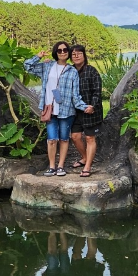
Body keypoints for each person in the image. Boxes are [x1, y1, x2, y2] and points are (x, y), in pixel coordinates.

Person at [25, 41, 92, 176]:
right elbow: (27, 66)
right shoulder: (47, 66)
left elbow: (75, 94)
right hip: (50, 108)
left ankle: (60, 166)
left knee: (64, 139)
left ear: (68, 53)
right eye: (59, 50)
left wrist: (84, 106)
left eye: (65, 50)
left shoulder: (72, 71)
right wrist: (38, 56)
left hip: (66, 110)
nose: (62, 52)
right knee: (51, 139)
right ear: (56, 52)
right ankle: (51, 166)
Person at [69, 45, 103, 177]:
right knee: (75, 137)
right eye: (73, 54)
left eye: (79, 53)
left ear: (84, 55)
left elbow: (97, 91)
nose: (76, 56)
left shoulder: (91, 71)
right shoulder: (69, 71)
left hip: (91, 110)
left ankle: (88, 166)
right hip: (75, 111)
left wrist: (92, 106)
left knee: (89, 137)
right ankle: (84, 157)